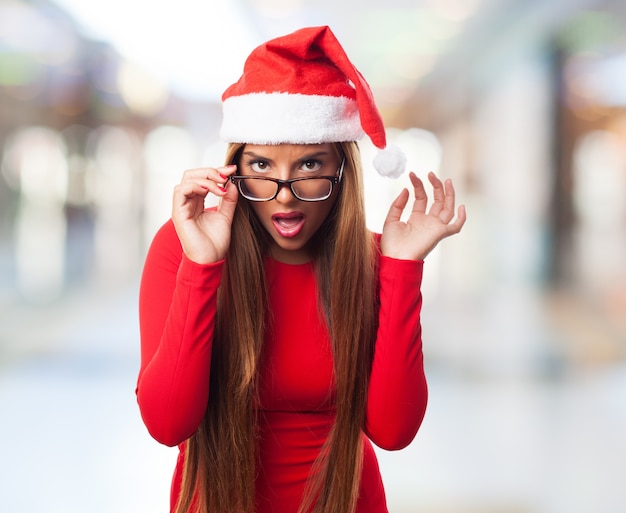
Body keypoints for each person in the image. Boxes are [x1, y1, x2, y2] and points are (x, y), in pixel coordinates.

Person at [137, 25, 466, 513]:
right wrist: (203, 266)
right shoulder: (188, 245)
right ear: (234, 168)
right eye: (263, 166)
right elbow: (167, 424)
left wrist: (400, 269)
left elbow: (393, 432)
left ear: (341, 171)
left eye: (310, 166)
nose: (286, 195)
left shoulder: (372, 260)